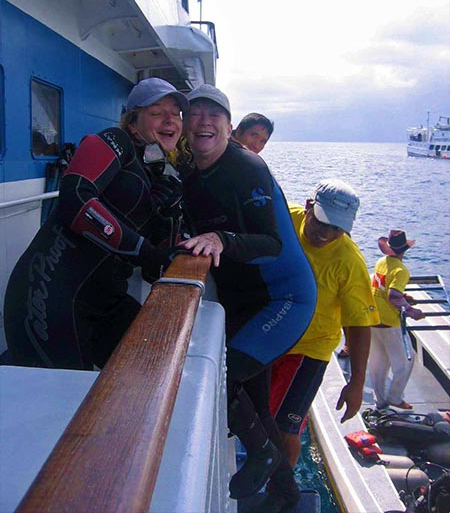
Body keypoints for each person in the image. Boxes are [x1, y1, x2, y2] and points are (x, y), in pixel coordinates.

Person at [180, 84, 317, 511]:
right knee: (255, 405)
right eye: (195, 113)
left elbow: (271, 244)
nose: (204, 122)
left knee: (223, 378)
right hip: (243, 301)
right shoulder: (192, 172)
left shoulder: (247, 167)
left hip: (284, 300)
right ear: (185, 124)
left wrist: (221, 238)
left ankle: (261, 454)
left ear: (228, 127)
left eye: (214, 115)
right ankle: (285, 494)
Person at [4, 77, 188, 370]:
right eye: (156, 112)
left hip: (105, 302)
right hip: (49, 296)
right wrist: (146, 250)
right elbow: (75, 198)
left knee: (157, 359)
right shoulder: (116, 141)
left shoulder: (160, 173)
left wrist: (169, 216)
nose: (170, 120)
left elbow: (154, 271)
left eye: (176, 114)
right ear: (132, 123)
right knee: (65, 395)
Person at [269, 180, 379, 475]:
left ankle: (283, 488)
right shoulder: (285, 218)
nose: (326, 234)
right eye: (321, 222)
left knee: (286, 429)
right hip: (269, 337)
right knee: (254, 412)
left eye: (337, 228)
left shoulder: (349, 262)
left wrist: (356, 383)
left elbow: (358, 325)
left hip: (310, 350)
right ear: (308, 207)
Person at [369, 230, 425, 410]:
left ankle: (380, 400)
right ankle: (395, 397)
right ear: (405, 250)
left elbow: (382, 288)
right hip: (389, 324)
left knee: (378, 363)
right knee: (406, 362)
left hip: (373, 319)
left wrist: (404, 297)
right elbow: (393, 295)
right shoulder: (401, 270)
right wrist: (411, 310)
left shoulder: (381, 262)